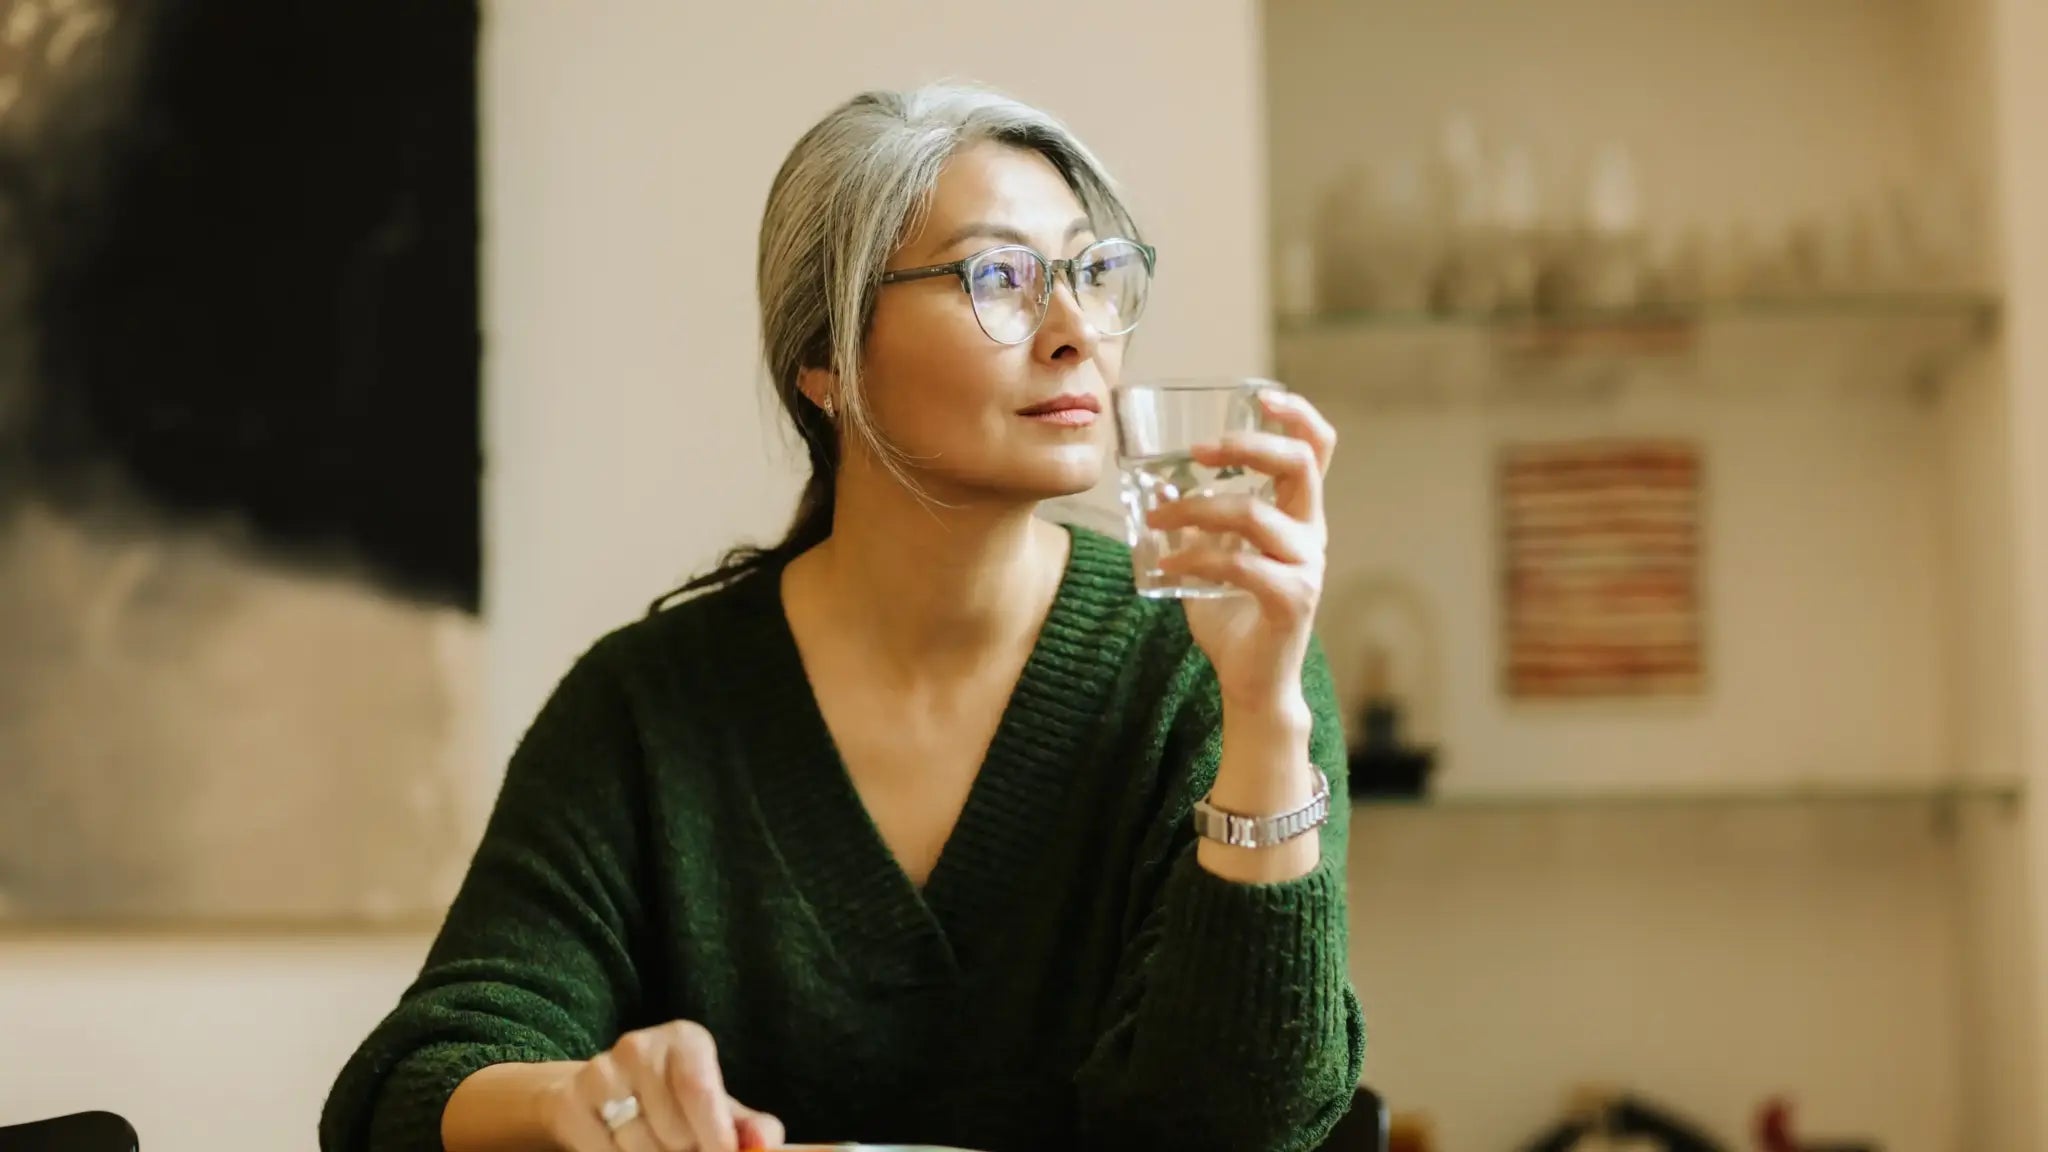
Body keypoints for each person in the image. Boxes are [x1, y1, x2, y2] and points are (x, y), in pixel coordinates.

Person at [319, 82, 1365, 1152]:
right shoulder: (649, 709)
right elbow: (405, 1090)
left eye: (1093, 274)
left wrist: (1264, 716)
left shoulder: (1209, 668)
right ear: (824, 359)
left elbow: (1244, 1124)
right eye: (996, 277)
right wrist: (577, 1099)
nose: (1074, 334)